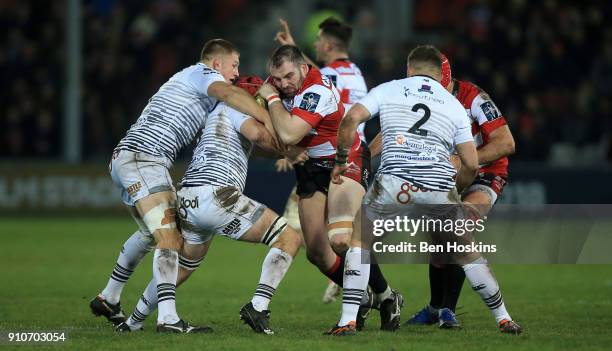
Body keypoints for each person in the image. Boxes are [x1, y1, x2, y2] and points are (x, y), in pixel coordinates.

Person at [331, 45, 522, 335]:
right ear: (441, 76)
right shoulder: (453, 104)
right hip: (442, 181)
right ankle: (502, 317)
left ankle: (348, 321)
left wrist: (346, 162)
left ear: (411, 70)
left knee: (360, 240)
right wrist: (454, 186)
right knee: (463, 247)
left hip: (424, 179)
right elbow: (467, 162)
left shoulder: (396, 90)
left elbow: (505, 143)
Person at [90, 39, 273, 333]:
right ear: (216, 64)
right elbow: (227, 92)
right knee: (170, 239)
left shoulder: (192, 86)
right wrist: (265, 114)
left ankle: (109, 297)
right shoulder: (202, 74)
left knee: (149, 233)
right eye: (234, 65)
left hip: (129, 157)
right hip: (145, 158)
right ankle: (168, 318)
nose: (237, 74)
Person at [115, 76, 302, 335]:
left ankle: (133, 321)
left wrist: (282, 152)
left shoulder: (217, 112)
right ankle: (258, 307)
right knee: (289, 238)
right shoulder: (238, 108)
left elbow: (255, 145)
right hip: (218, 195)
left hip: (189, 196)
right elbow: (258, 134)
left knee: (183, 266)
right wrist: (289, 147)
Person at [257, 45, 403, 331]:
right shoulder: (283, 89)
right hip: (312, 168)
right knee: (317, 253)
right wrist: (282, 148)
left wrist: (270, 97)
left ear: (302, 68)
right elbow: (263, 140)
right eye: (276, 79)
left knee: (340, 239)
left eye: (288, 76)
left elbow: (287, 133)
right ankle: (383, 297)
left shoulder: (316, 91)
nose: (284, 84)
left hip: (344, 160)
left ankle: (352, 315)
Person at [275, 17, 381, 306]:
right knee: (338, 236)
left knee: (295, 233)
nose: (316, 44)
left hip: (330, 157)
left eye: (319, 40)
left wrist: (291, 146)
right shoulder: (354, 73)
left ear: (330, 45)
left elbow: (312, 80)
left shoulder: (328, 78)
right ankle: (360, 285)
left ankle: (262, 298)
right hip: (352, 157)